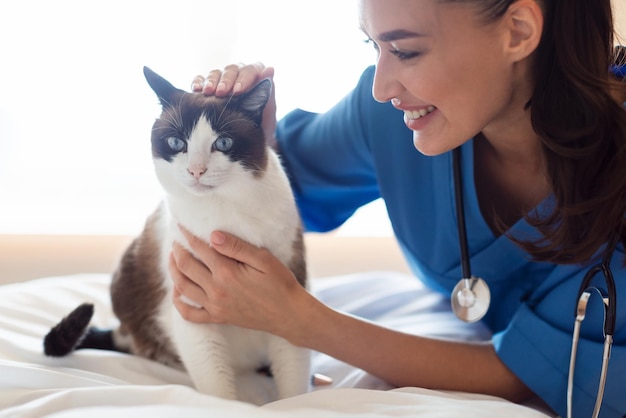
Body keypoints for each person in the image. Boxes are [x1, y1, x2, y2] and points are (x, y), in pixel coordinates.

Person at [169, 0, 626, 416]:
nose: (382, 88)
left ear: (519, 31)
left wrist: (300, 319)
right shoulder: (393, 118)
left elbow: (535, 370)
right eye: (374, 47)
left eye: (405, 52)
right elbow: (287, 197)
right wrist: (254, 145)